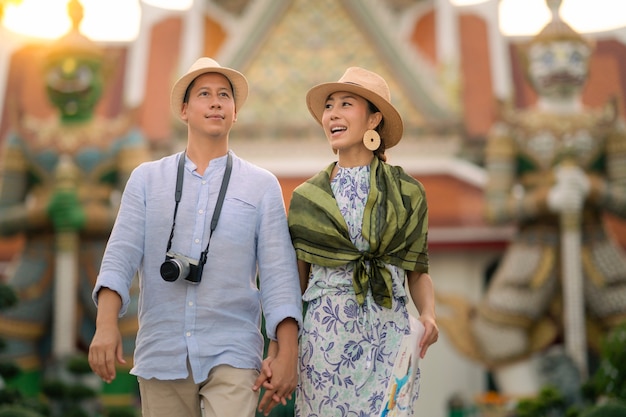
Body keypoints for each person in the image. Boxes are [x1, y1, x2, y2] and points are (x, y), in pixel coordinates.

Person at [87, 57, 302, 417]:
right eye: (204, 94)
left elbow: (280, 277)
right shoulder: (146, 179)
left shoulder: (261, 185)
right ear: (184, 110)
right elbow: (120, 256)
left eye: (224, 96)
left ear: (235, 113)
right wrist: (105, 325)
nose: (216, 102)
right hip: (162, 350)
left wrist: (287, 353)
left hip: (233, 351)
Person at [437, 0, 626, 399]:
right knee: (495, 330)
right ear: (529, 64)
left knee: (622, 327)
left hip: (595, 242)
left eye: (573, 54)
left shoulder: (607, 126)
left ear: (588, 62)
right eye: (548, 56)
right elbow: (496, 207)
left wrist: (592, 189)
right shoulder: (513, 129)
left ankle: (610, 400)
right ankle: (531, 404)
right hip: (534, 247)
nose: (561, 64)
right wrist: (547, 199)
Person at [0, 19, 149, 401]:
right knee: (11, 335)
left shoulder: (121, 138)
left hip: (104, 259)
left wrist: (91, 217)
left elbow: (149, 214)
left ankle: (117, 409)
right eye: (57, 68)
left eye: (82, 69)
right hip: (38, 259)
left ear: (103, 75)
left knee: (126, 341)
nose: (69, 80)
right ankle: (25, 406)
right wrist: (40, 213)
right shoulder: (26, 139)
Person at [287, 67, 439, 416]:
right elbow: (296, 282)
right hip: (326, 339)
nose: (333, 114)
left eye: (346, 104)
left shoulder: (406, 193)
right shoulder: (307, 198)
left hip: (390, 337)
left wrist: (429, 314)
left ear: (374, 120)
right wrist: (285, 347)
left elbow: (417, 270)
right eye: (329, 106)